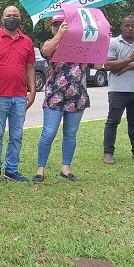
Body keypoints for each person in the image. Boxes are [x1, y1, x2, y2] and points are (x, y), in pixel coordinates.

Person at [33, 12, 91, 183]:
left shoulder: (82, 45)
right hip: (55, 96)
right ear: (52, 28)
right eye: (56, 24)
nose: (59, 26)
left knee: (70, 134)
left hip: (77, 96)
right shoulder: (50, 44)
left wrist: (103, 41)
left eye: (63, 24)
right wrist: (60, 34)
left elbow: (98, 64)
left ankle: (66, 168)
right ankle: (40, 168)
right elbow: (45, 51)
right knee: (49, 133)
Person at [0, 6, 36, 183]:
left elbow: (29, 67)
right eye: (8, 15)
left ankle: (12, 169)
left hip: (20, 97)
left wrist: (33, 91)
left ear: (20, 19)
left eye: (15, 15)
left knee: (16, 135)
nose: (12, 18)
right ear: (2, 18)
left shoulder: (27, 41)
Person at [102, 15, 134, 164]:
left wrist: (128, 66)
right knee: (112, 121)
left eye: (133, 26)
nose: (130, 28)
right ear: (121, 27)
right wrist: (131, 59)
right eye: (127, 25)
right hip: (118, 90)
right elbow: (108, 66)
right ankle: (108, 153)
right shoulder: (113, 43)